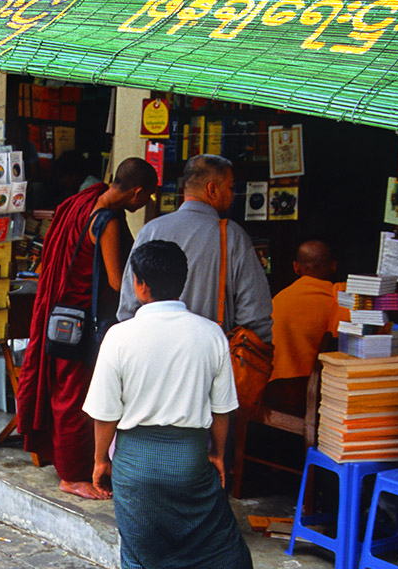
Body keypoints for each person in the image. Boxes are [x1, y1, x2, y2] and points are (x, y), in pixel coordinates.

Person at [84, 239, 251, 569]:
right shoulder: (212, 334)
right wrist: (217, 453)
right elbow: (222, 409)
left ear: (139, 284)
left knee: (142, 556)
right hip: (189, 461)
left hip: (135, 464)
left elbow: (105, 413)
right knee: (222, 550)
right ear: (182, 281)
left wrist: (100, 460)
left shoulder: (118, 336)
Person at [18, 158, 158, 500]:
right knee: (74, 397)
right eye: (146, 199)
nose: (143, 206)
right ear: (137, 193)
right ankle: (72, 475)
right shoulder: (107, 222)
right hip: (84, 322)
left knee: (64, 392)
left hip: (59, 312)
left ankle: (70, 462)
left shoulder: (80, 201)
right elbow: (115, 280)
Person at [118, 154, 272, 345]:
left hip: (153, 352)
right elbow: (255, 315)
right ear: (212, 189)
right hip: (211, 360)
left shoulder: (150, 231)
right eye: (230, 187)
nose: (233, 194)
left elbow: (128, 308)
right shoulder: (232, 237)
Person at [266, 240, 349, 412]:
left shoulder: (278, 299)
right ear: (333, 266)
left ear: (296, 267)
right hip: (312, 392)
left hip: (271, 388)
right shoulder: (339, 299)